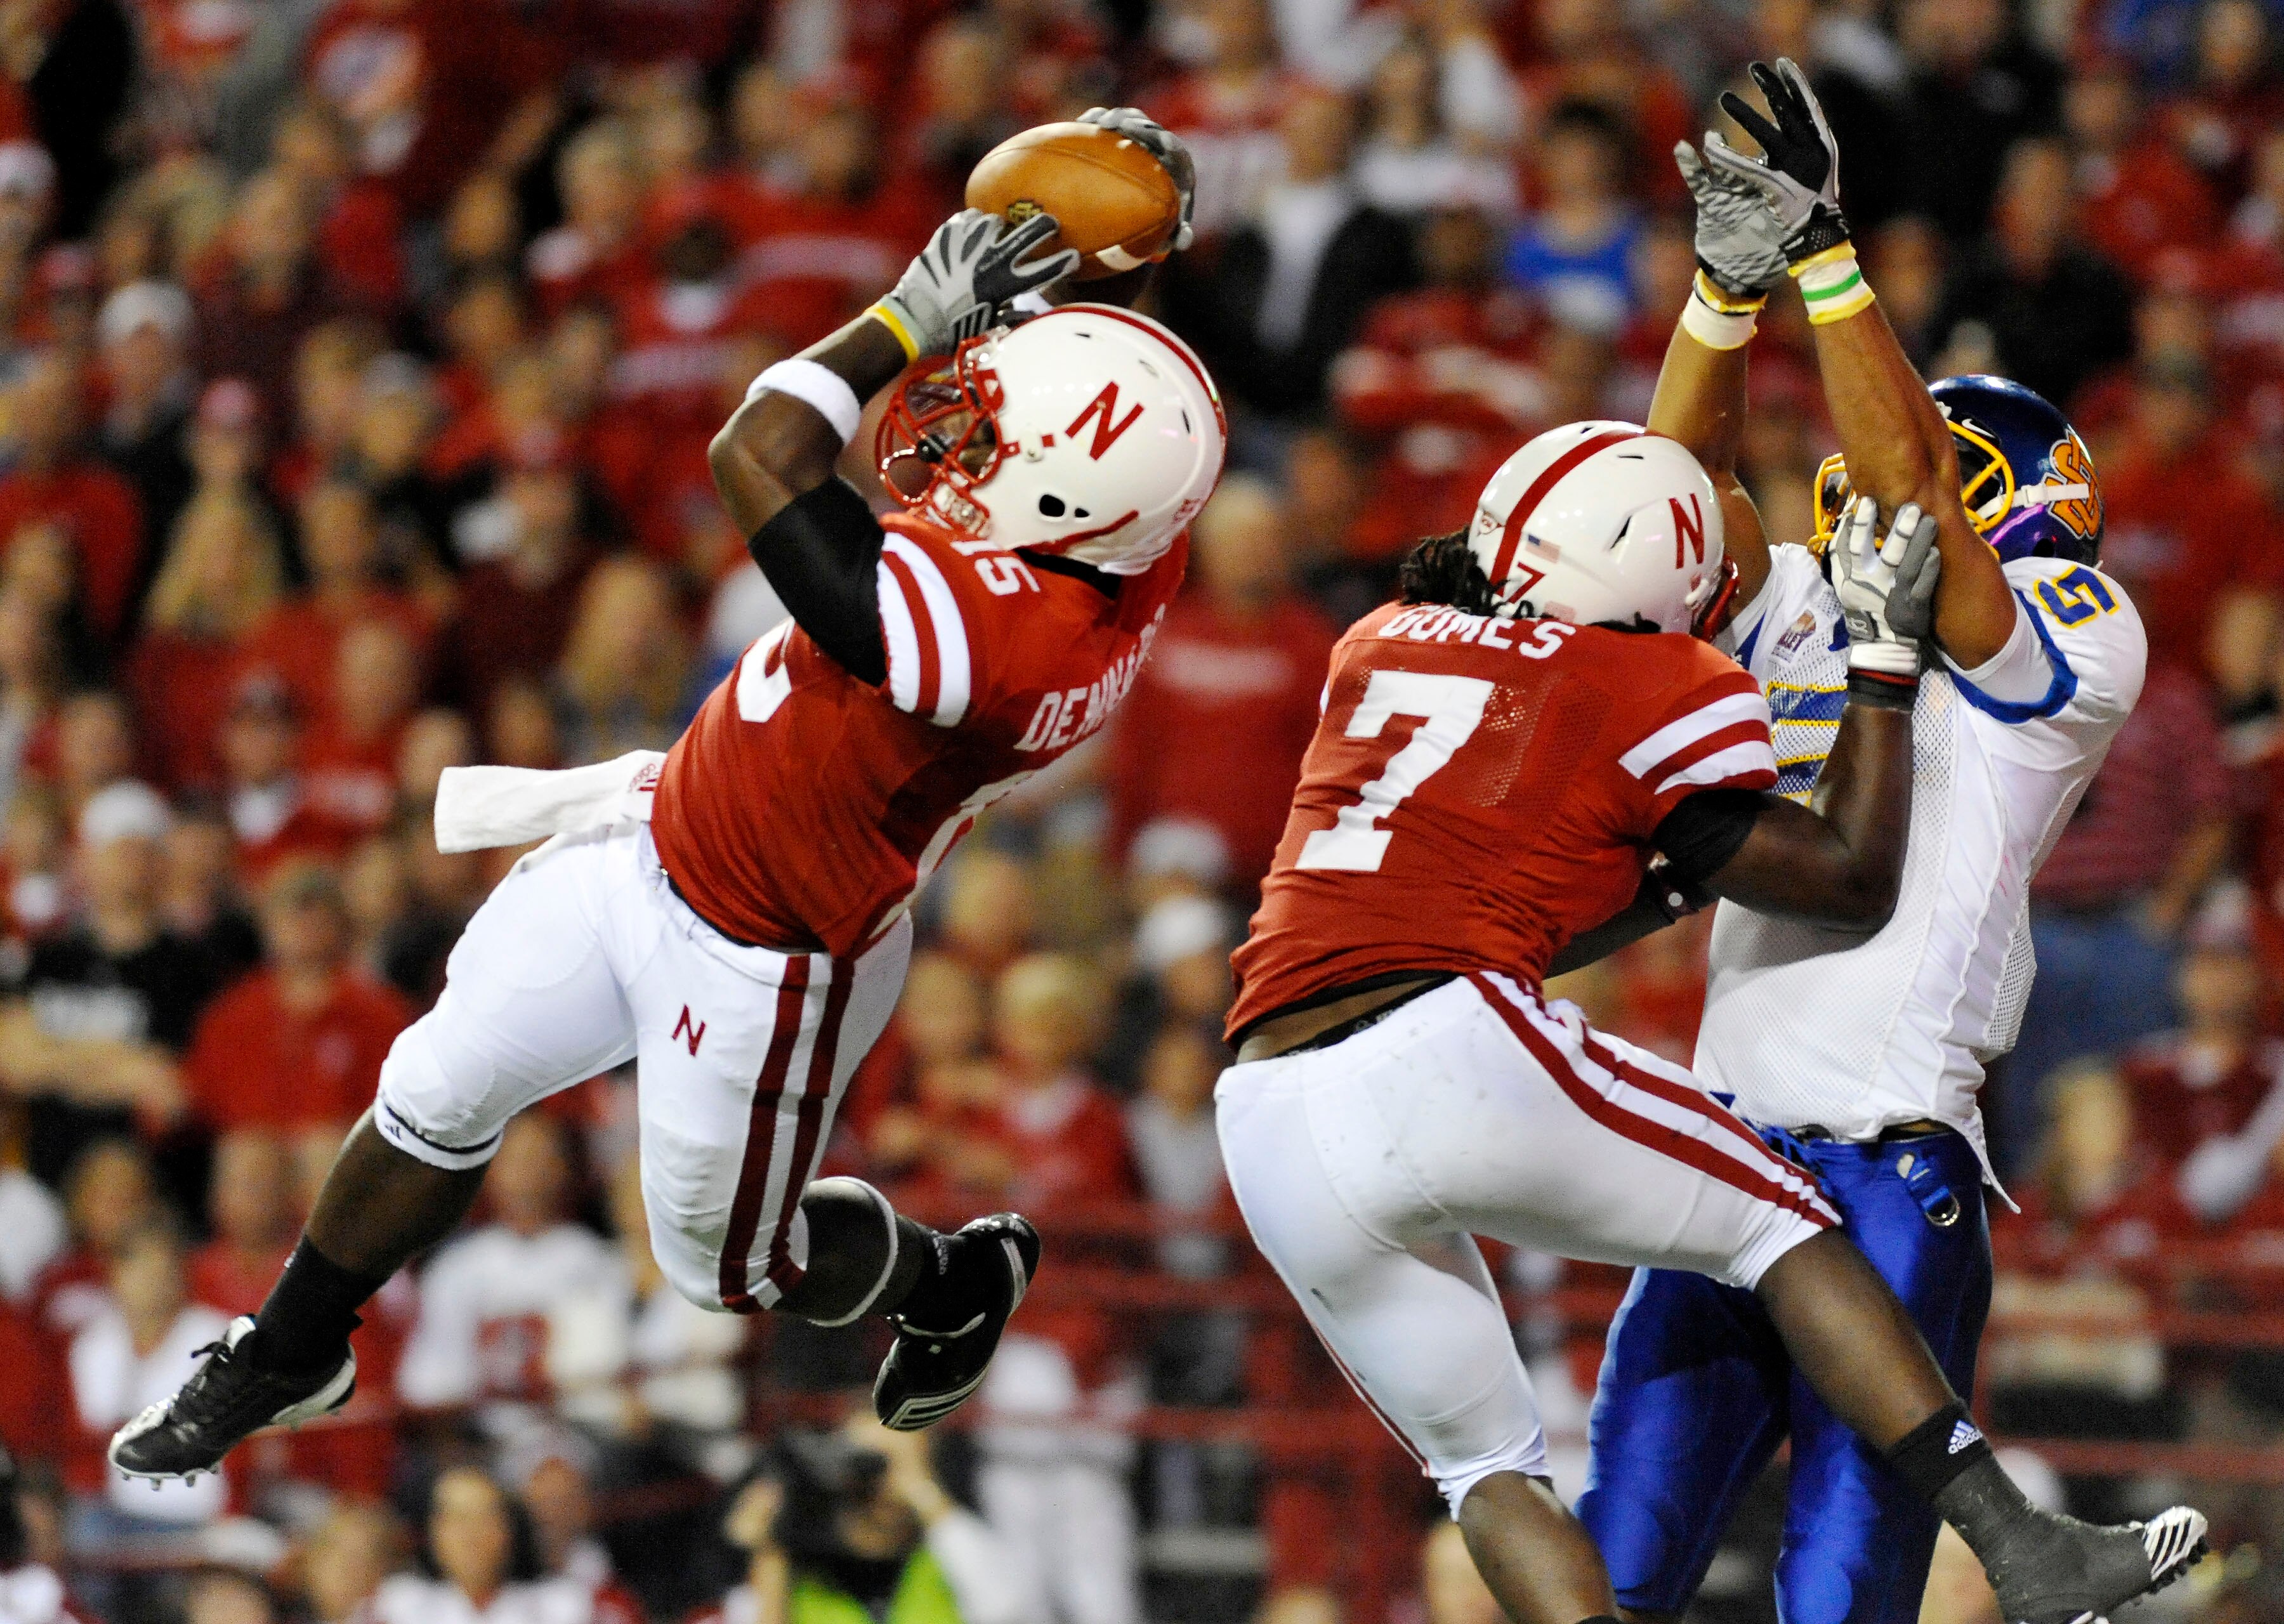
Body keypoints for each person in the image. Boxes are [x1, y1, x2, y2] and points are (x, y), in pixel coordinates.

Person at [110, 110, 1223, 1482]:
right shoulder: (1128, 514)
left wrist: (906, 316)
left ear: (1054, 506)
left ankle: (949, 1276)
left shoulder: (999, 645)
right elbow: (1111, 416)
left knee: (733, 1269)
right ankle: (291, 1345)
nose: (958, 438)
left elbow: (755, 454)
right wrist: (1110, 254)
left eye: (993, 446)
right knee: (437, 1082)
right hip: (661, 831)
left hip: (771, 958)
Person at [1214, 435, 2200, 1619]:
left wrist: (1719, 312)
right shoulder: (1636, 680)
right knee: (1783, 1215)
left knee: (1489, 1475)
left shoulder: (1374, 640)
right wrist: (1882, 667)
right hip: (1437, 1044)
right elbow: (1843, 874)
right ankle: (2020, 1540)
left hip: (1266, 1110)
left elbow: (1586, 887)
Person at [1572, 58, 2195, 1624]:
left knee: (1841, 1597)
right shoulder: (1812, 598)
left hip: (1883, 1158)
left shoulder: (2076, 626)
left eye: (1928, 482)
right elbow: (1667, 505)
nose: (1870, 499)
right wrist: (1723, 301)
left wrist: (1828, 258)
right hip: (1715, 1156)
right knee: (1604, 1576)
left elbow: (1916, 474)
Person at [701, 1417, 1038, 1624]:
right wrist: (767, 1548)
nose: (880, 1480)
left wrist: (921, 1490)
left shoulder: (942, 1558)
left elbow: (1008, 1609)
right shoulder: (801, 1569)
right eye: (869, 1463)